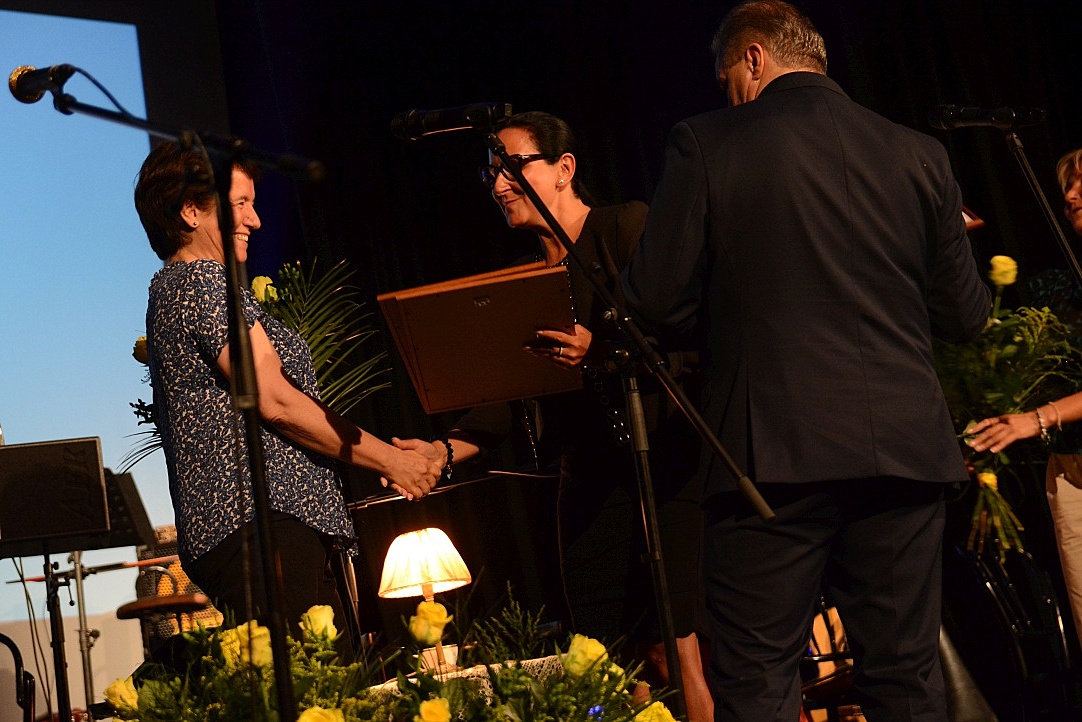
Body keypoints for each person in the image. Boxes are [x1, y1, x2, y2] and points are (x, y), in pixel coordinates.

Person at [619, 2, 991, 720]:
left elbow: (655, 301)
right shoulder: (920, 154)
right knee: (906, 678)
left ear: (754, 56)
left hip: (773, 459)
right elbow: (966, 316)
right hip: (904, 455)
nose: (728, 93)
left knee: (758, 680)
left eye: (726, 76)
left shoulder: (707, 142)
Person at [409, 111, 713, 720]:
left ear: (564, 168)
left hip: (663, 467)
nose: (499, 185)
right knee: (608, 660)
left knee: (672, 649)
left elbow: (683, 338)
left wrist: (599, 351)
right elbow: (505, 398)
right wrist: (438, 453)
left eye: (513, 167)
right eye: (491, 174)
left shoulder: (624, 228)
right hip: (590, 484)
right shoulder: (527, 281)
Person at [135, 141, 445, 644]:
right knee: (313, 683)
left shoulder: (183, 288)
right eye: (240, 204)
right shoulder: (199, 283)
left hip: (270, 528)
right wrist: (392, 460)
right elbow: (275, 401)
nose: (255, 220)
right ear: (191, 211)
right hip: (261, 526)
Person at [966, 146, 1082, 648]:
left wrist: (1038, 418)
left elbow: (1038, 408)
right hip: (1070, 471)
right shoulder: (1057, 287)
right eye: (1067, 187)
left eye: (1081, 182)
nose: (1070, 195)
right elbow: (1007, 355)